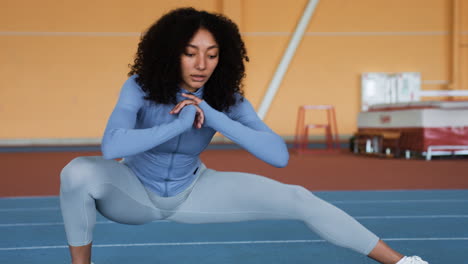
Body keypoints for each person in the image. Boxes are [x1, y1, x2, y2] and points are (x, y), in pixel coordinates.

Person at [60, 7, 429, 264]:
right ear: (171, 54)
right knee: (77, 171)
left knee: (299, 197)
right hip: (133, 191)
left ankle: (400, 262)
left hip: (194, 191)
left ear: (224, 57)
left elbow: (278, 156)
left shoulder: (226, 99)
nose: (201, 65)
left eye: (212, 55)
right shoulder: (139, 86)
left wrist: (216, 117)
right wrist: (177, 124)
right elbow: (112, 145)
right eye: (190, 54)